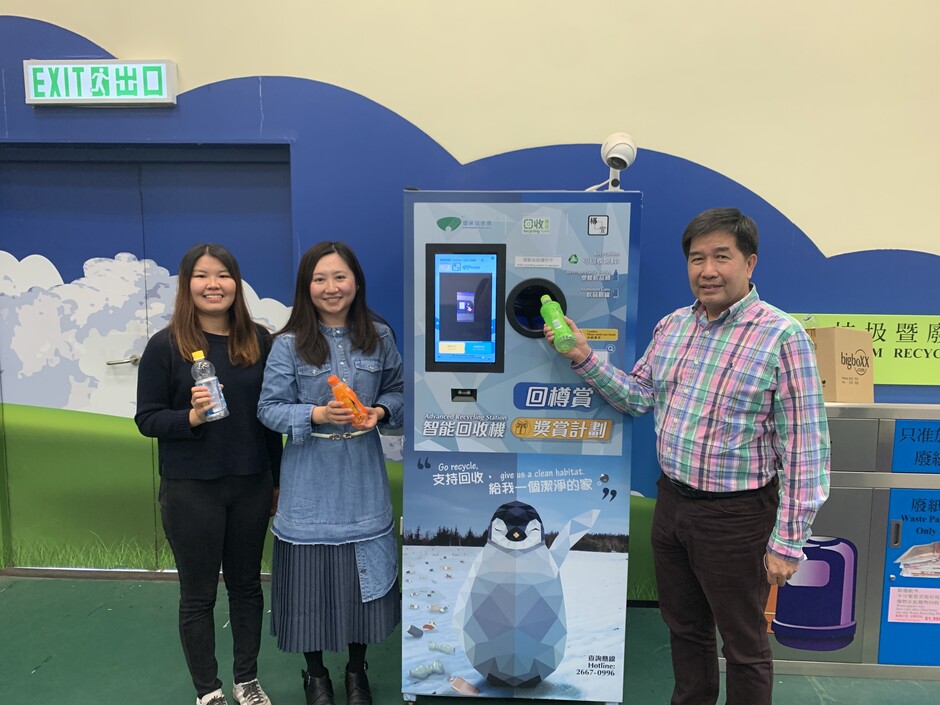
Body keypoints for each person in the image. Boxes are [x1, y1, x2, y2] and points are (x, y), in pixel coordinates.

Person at [545, 208, 830, 705]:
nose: (708, 270)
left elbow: (806, 449)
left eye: (722, 256)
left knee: (743, 644)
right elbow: (637, 397)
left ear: (750, 262)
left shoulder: (783, 338)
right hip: (672, 505)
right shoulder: (674, 327)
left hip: (736, 517)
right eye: (697, 258)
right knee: (685, 630)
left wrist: (788, 541)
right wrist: (583, 356)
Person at [135, 243, 282, 705]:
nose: (213, 284)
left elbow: (270, 421)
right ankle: (209, 691)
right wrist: (192, 419)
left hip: (251, 484)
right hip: (190, 490)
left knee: (246, 588)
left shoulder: (260, 341)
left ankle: (246, 680)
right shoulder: (166, 346)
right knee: (197, 596)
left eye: (222, 275)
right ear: (187, 285)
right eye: (201, 275)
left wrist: (276, 481)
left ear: (236, 284)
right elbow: (147, 419)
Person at [257, 241, 403, 705]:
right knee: (310, 587)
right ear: (306, 287)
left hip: (362, 477)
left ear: (356, 282)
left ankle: (357, 672)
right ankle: (315, 675)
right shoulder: (288, 344)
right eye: (319, 279)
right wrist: (315, 415)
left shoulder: (379, 336)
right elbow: (268, 409)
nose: (330, 287)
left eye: (339, 277)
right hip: (309, 481)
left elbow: (399, 393)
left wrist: (380, 411)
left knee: (362, 584)